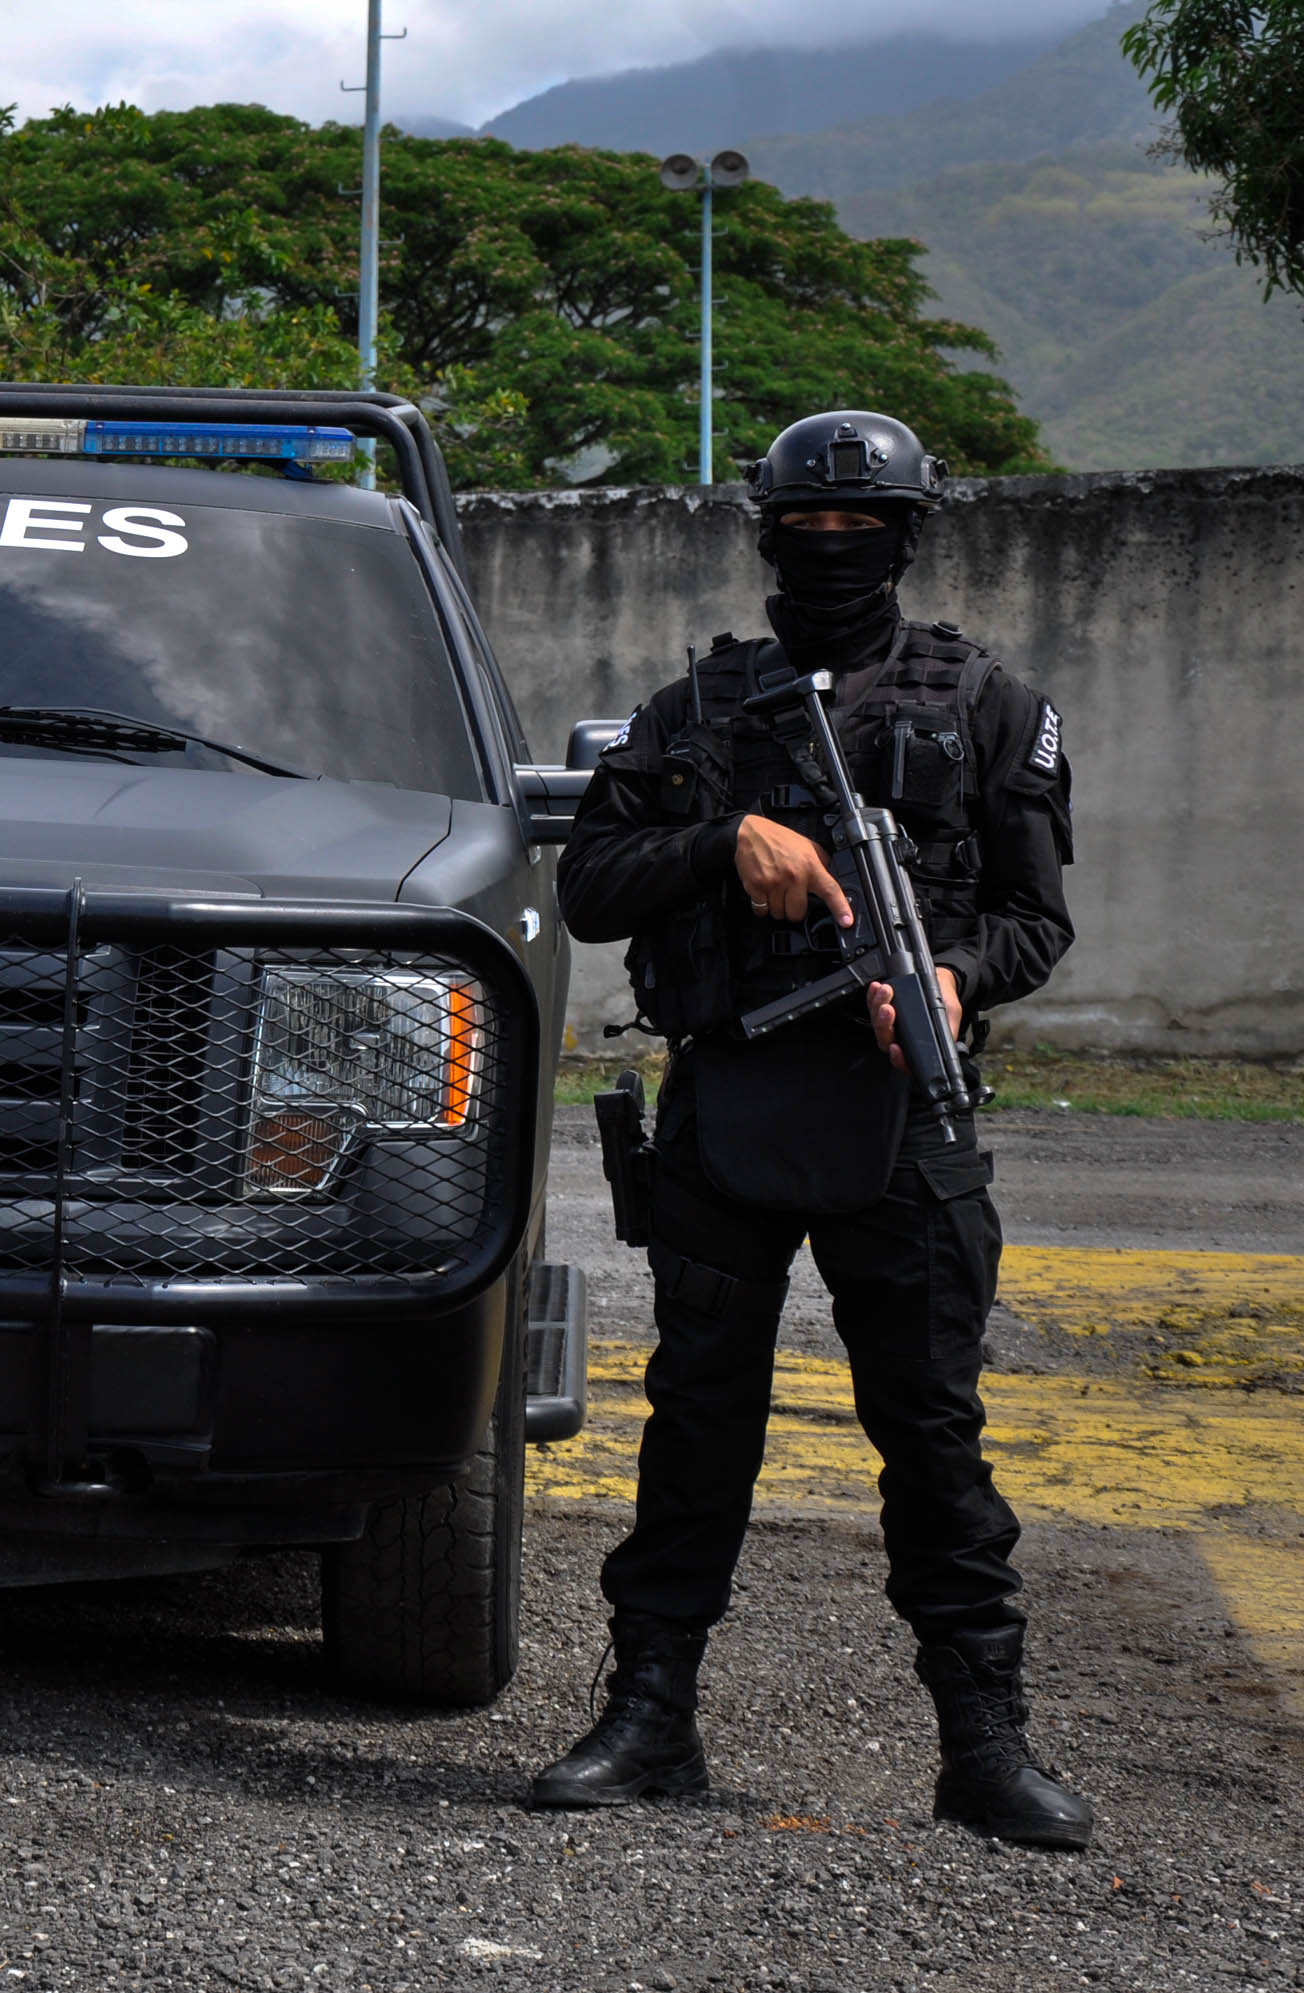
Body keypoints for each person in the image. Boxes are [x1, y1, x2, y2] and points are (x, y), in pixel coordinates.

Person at [534, 411, 1090, 1849]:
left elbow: (1035, 919)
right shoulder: (695, 712)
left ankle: (985, 1741)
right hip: (728, 1107)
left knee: (931, 1433)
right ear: (767, 537)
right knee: (699, 1420)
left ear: (906, 541)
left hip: (904, 1121)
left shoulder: (986, 704)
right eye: (804, 531)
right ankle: (651, 1714)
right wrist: (727, 843)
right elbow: (591, 881)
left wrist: (953, 977)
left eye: (859, 533)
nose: (829, 553)